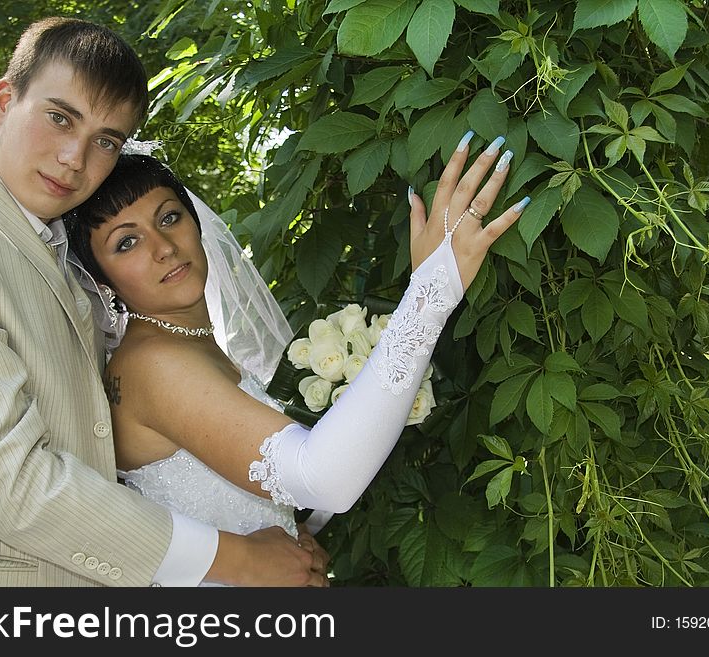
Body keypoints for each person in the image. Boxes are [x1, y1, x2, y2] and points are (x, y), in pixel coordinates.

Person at [0, 16, 328, 587]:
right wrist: (236, 559)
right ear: (2, 99)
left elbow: (104, 456)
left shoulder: (78, 271)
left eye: (106, 141)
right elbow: (2, 472)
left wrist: (266, 536)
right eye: (59, 117)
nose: (75, 157)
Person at [63, 132, 530, 568]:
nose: (163, 247)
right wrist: (432, 291)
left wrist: (288, 531)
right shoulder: (153, 364)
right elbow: (325, 477)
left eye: (168, 217)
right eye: (126, 242)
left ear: (196, 222)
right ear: (100, 280)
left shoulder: (186, 343)